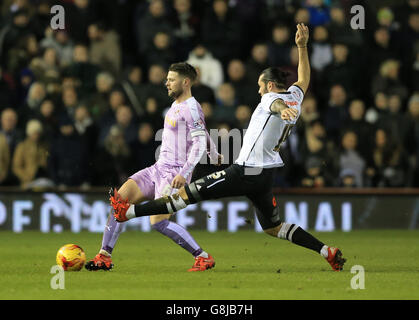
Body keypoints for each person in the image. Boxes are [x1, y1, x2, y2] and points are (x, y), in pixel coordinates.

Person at [112, 24, 346, 272]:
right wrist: (302, 47)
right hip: (265, 176)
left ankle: (126, 213)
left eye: (259, 85)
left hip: (245, 171)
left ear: (269, 85)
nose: (257, 89)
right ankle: (326, 251)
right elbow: (304, 78)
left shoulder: (270, 99)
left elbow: (275, 103)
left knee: (182, 197)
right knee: (273, 228)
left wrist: (280, 108)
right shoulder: (295, 97)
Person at [85, 62, 222, 272]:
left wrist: (184, 173)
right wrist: (214, 153)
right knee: (119, 202)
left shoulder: (192, 107)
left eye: (171, 79)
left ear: (185, 82)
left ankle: (202, 256)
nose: (166, 82)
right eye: (167, 78)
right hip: (158, 168)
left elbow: (199, 142)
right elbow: (202, 132)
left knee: (158, 222)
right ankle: (104, 256)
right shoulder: (176, 105)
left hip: (174, 173)